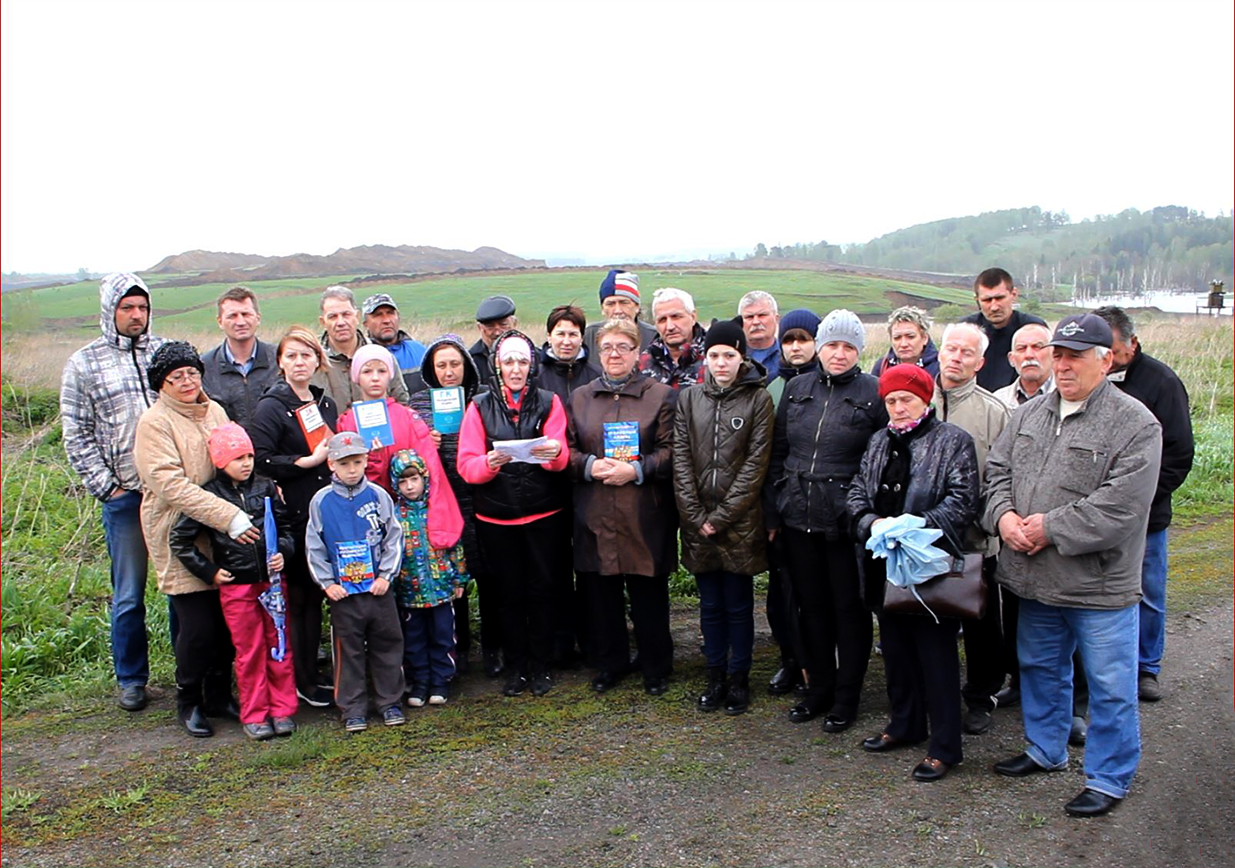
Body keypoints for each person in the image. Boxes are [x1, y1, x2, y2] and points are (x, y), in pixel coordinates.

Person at [986, 313, 1162, 818]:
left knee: (1110, 687)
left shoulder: (1136, 424)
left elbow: (1121, 508)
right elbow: (997, 473)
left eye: (1075, 356)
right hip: (1033, 579)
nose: (1062, 365)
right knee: (1040, 669)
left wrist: (1048, 527)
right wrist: (1004, 518)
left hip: (1098, 587)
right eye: (1057, 354)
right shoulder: (1028, 415)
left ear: (1105, 360)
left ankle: (1108, 777)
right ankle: (1046, 749)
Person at [848, 364, 979, 782]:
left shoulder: (953, 442)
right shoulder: (878, 442)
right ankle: (905, 724)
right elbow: (855, 492)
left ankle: (945, 746)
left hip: (929, 567)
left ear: (926, 400)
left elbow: (963, 500)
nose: (899, 408)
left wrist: (913, 527)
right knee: (897, 650)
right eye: (891, 401)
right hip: (883, 564)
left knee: (936, 657)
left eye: (907, 399)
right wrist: (871, 523)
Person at [767, 309, 887, 732]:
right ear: (819, 347)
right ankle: (818, 688)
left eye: (848, 346)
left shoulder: (875, 393)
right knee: (810, 608)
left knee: (848, 610)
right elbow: (778, 452)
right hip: (798, 514)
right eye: (832, 344)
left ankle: (847, 697)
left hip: (846, 520)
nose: (839, 354)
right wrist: (776, 504)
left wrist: (865, 513)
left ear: (859, 350)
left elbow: (882, 462)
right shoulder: (797, 388)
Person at [133, 342, 260, 738]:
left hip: (225, 532)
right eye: (176, 378)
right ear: (162, 384)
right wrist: (229, 515)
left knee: (226, 622)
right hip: (181, 532)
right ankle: (188, 700)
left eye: (191, 373)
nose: (187, 382)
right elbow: (170, 484)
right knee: (198, 625)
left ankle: (219, 695)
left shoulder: (215, 411)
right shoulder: (154, 424)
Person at [60, 272, 166, 711]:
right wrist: (109, 489)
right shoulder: (84, 364)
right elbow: (76, 434)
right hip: (125, 496)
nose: (136, 315)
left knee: (184, 587)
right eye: (127, 308)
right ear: (110, 311)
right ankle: (132, 679)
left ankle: (192, 675)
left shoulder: (164, 352)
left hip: (171, 494)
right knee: (128, 592)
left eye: (142, 307)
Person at [457, 330, 572, 697]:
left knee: (542, 592)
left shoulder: (549, 401)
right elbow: (467, 465)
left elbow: (563, 456)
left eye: (522, 361)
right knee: (508, 597)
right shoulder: (478, 406)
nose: (516, 368)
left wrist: (553, 454)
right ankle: (516, 667)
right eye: (509, 361)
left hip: (543, 515)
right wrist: (488, 464)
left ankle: (541, 666)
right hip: (497, 518)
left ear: (532, 365)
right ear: (497, 366)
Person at [567, 318, 678, 695]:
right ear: (598, 354)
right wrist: (587, 465)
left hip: (642, 511)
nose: (615, 354)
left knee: (648, 594)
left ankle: (655, 666)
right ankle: (609, 663)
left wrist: (637, 470)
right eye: (607, 348)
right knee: (601, 594)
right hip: (595, 509)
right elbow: (565, 449)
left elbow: (673, 452)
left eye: (623, 347)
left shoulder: (660, 395)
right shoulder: (581, 397)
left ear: (637, 353)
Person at [169, 422, 298, 741]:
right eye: (237, 457)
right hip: (237, 587)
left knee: (278, 644)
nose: (246, 463)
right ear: (220, 460)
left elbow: (288, 528)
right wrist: (208, 571)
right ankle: (254, 714)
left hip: (272, 583)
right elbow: (180, 539)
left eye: (249, 456)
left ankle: (282, 709)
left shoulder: (266, 487)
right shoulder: (210, 496)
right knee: (249, 650)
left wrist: (284, 550)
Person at [1092, 306, 1194, 702]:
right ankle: (1102, 668)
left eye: (1112, 351)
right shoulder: (1087, 380)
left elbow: (1178, 454)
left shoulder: (1161, 383)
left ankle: (1146, 667)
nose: (1106, 360)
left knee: (1147, 592)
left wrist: (1135, 502)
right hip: (1093, 516)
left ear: (1131, 343)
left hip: (1146, 516)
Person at [673, 322, 775, 716]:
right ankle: (714, 674)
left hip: (740, 522)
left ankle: (739, 677)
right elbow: (681, 459)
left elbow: (755, 464)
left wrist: (723, 516)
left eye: (729, 355)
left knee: (738, 605)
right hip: (698, 523)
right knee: (709, 606)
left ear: (742, 358)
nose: (721, 362)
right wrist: (696, 515)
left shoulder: (758, 400)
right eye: (714, 355)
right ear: (706, 357)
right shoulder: (690, 399)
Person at [249, 326, 341, 708]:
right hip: (295, 515)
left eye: (306, 355)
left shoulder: (324, 404)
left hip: (326, 511)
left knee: (324, 594)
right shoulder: (272, 406)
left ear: (318, 360)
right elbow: (259, 458)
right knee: (301, 598)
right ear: (280, 362)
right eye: (291, 356)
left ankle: (323, 671)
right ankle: (302, 678)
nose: (299, 362)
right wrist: (304, 462)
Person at [931, 322, 1011, 736]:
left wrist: (986, 520)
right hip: (923, 537)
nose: (956, 358)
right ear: (939, 352)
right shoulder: (916, 397)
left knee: (981, 621)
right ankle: (932, 692)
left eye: (966, 352)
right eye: (950, 349)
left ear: (980, 362)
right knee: (928, 616)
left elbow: (1002, 474)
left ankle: (981, 695)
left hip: (975, 537)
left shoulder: (994, 411)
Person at [305, 431, 408, 733]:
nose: (352, 469)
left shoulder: (379, 496)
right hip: (343, 595)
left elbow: (394, 537)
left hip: (378, 590)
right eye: (344, 462)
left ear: (366, 461)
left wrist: (386, 575)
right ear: (331, 465)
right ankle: (352, 708)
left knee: (388, 645)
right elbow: (314, 546)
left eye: (357, 462)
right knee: (347, 650)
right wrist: (327, 583)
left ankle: (390, 702)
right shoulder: (321, 502)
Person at [408, 334, 496, 677]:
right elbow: (408, 457)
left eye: (455, 364)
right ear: (431, 368)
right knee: (450, 581)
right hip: (440, 503)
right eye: (441, 365)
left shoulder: (483, 399)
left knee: (489, 578)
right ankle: (456, 650)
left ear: (467, 367)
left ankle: (493, 647)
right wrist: (424, 443)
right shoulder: (419, 403)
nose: (448, 372)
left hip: (480, 499)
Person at [335, 346, 462, 543]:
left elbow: (432, 472)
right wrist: (373, 458)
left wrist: (441, 527)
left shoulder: (408, 417)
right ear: (356, 377)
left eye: (382, 371)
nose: (375, 378)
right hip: (369, 518)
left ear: (391, 375)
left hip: (412, 522)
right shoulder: (348, 422)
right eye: (367, 371)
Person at [762, 307, 822, 696]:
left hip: (818, 506)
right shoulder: (770, 388)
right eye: (789, 340)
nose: (796, 347)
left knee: (816, 591)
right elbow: (765, 454)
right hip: (778, 504)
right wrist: (770, 509)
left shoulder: (827, 383)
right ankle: (789, 658)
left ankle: (817, 660)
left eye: (803, 339)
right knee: (780, 590)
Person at [390, 449, 470, 707]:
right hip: (409, 592)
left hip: (441, 588)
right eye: (403, 481)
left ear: (425, 478)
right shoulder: (393, 515)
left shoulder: (438, 507)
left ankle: (441, 680)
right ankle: (420, 681)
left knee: (443, 635)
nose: (410, 486)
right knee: (414, 640)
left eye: (414, 479)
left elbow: (454, 546)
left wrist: (459, 579)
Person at [312, 285, 410, 412]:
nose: (341, 322)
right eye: (333, 317)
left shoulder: (382, 356)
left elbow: (402, 403)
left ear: (357, 317)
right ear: (323, 322)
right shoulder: (313, 363)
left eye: (346, 314)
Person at [200, 286, 279, 429]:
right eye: (232, 316)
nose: (240, 322)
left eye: (246, 314)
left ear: (258, 318)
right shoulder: (204, 368)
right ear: (220, 322)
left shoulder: (280, 359)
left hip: (279, 449)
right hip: (230, 449)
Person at [961, 267, 1047, 391]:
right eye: (987, 300)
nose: (994, 307)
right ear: (977, 300)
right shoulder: (966, 330)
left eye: (1000, 298)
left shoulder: (1034, 329)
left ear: (1014, 295)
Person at [640, 287, 707, 389]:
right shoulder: (644, 362)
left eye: (676, 317)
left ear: (693, 317)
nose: (670, 326)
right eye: (662, 320)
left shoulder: (714, 357)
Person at [581, 269, 658, 357]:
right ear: (602, 309)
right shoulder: (589, 336)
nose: (618, 310)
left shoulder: (654, 337)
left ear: (637, 306)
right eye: (610, 304)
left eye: (624, 303)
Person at [538, 304, 602, 410]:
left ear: (582, 338)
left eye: (573, 335)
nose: (566, 342)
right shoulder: (536, 377)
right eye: (560, 334)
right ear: (549, 337)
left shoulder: (597, 377)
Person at [362, 293, 427, 394]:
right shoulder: (361, 358)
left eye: (390, 313)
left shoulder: (420, 351)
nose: (387, 320)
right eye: (378, 315)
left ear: (398, 317)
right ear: (366, 324)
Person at [992, 322, 1055, 409]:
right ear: (1011, 359)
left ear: (1054, 354)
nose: (1029, 355)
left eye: (1037, 347)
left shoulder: (1069, 398)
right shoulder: (997, 402)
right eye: (1021, 348)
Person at [869, 306, 940, 378]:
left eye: (910, 337)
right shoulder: (882, 367)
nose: (904, 344)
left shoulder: (940, 367)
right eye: (897, 338)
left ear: (924, 338)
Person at [470, 294, 518, 389]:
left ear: (514, 324)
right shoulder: (471, 362)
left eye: (503, 325)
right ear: (479, 328)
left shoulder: (534, 356)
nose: (497, 332)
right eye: (490, 327)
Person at [739, 291, 781, 382]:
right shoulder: (731, 358)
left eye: (762, 315)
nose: (756, 322)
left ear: (776, 319)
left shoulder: (788, 356)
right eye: (749, 317)